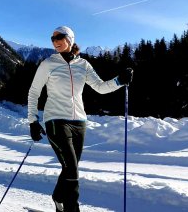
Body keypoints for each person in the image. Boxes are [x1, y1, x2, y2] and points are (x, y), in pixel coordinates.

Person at [27, 26, 133, 212]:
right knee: (72, 169)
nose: (55, 41)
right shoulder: (48, 63)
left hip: (79, 123)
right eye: (52, 39)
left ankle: (58, 197)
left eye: (59, 37)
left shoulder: (83, 64)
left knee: (71, 167)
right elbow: (34, 92)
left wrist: (119, 80)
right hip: (55, 120)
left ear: (70, 39)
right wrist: (33, 121)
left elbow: (100, 87)